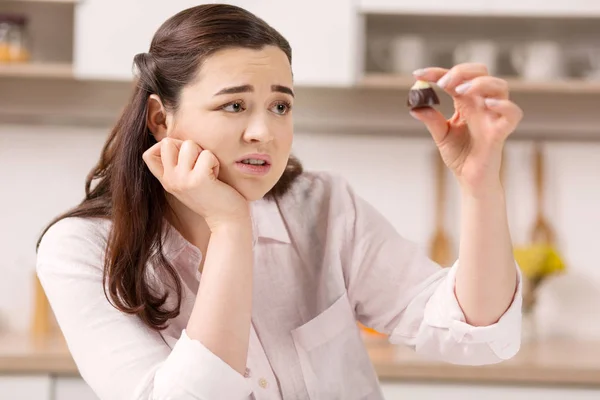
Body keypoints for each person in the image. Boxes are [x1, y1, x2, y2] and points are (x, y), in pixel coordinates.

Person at [35, 4, 523, 400]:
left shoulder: (323, 206)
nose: (263, 132)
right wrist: (229, 227)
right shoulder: (81, 249)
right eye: (234, 105)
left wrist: (480, 184)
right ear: (161, 119)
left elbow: (476, 335)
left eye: (280, 106)